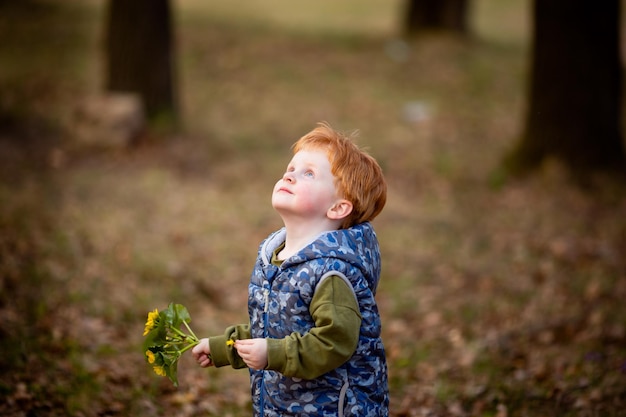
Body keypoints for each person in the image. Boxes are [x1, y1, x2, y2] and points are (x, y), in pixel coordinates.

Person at [192, 122, 389, 416]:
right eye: (291, 168)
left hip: (334, 407)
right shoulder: (277, 257)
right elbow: (274, 328)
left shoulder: (332, 272)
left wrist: (272, 354)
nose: (290, 175)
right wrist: (224, 348)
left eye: (308, 173)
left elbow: (334, 342)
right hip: (284, 405)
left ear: (337, 208)